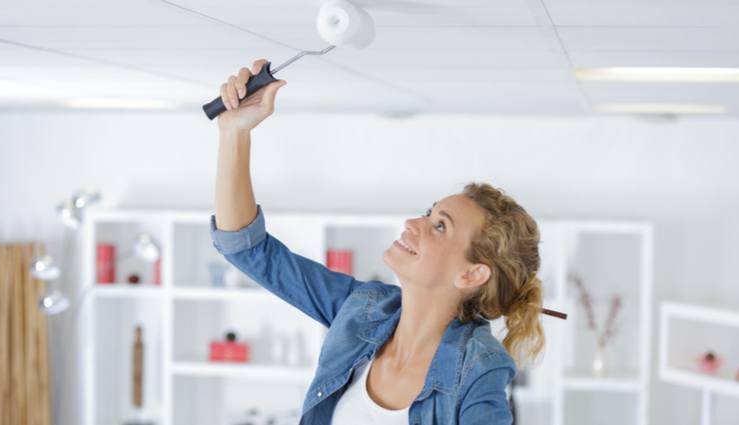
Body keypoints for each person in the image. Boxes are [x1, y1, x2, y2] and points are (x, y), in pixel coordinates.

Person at [210, 59, 545, 425]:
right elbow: (247, 249)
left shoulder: (480, 367)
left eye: (439, 227)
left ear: (471, 274)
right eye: (428, 213)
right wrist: (235, 133)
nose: (413, 223)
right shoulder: (362, 310)